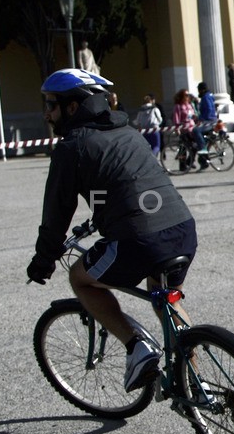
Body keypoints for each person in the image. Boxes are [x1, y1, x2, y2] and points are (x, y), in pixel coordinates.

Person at [27, 68, 197, 393]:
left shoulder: (70, 147)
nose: (47, 113)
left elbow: (56, 216)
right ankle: (191, 386)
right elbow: (129, 185)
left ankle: (137, 347)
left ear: (73, 107)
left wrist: (43, 261)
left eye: (51, 104)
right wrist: (101, 216)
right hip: (182, 228)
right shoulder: (128, 131)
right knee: (166, 301)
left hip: (138, 239)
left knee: (80, 278)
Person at [173, 88, 208, 170]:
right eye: (186, 95)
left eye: (188, 95)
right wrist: (177, 128)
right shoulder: (178, 106)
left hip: (192, 128)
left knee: (195, 146)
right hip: (184, 129)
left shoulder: (189, 105)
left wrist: (197, 120)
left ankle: (190, 161)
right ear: (182, 96)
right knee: (183, 148)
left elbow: (193, 115)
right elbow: (176, 118)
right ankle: (182, 165)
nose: (187, 96)